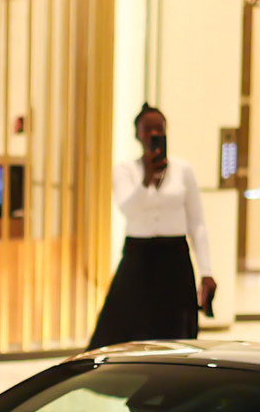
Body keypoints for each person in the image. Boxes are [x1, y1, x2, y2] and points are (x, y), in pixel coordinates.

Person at [88, 103, 216, 348]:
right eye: (148, 129)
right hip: (138, 258)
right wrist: (146, 178)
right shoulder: (125, 170)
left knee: (175, 332)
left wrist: (206, 271)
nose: (153, 134)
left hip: (175, 259)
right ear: (137, 133)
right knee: (123, 327)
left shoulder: (183, 170)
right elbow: (128, 210)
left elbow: (197, 223)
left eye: (159, 129)